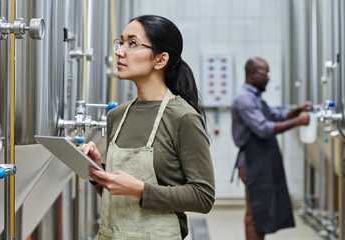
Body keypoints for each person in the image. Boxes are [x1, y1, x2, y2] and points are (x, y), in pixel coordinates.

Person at [79, 15, 215, 240]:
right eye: (120, 42)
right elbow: (119, 198)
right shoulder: (117, 116)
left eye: (132, 43)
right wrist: (98, 172)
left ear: (160, 60)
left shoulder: (183, 118)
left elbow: (203, 196)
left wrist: (140, 189)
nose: (119, 51)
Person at [231, 57, 311, 240]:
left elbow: (277, 116)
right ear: (253, 73)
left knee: (264, 210)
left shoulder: (255, 97)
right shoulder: (244, 99)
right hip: (252, 163)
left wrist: (297, 111)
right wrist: (298, 122)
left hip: (261, 162)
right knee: (255, 212)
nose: (268, 77)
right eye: (265, 73)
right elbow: (264, 129)